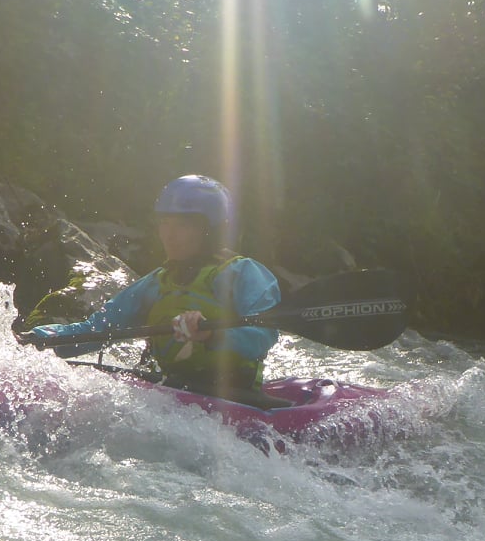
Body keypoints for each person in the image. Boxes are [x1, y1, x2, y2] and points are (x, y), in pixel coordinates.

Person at [25, 175, 288, 409]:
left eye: (182, 225)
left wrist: (212, 333)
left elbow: (263, 333)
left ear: (210, 230)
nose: (169, 235)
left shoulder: (244, 274)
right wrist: (36, 338)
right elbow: (97, 330)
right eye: (164, 223)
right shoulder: (155, 284)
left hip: (235, 396)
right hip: (172, 391)